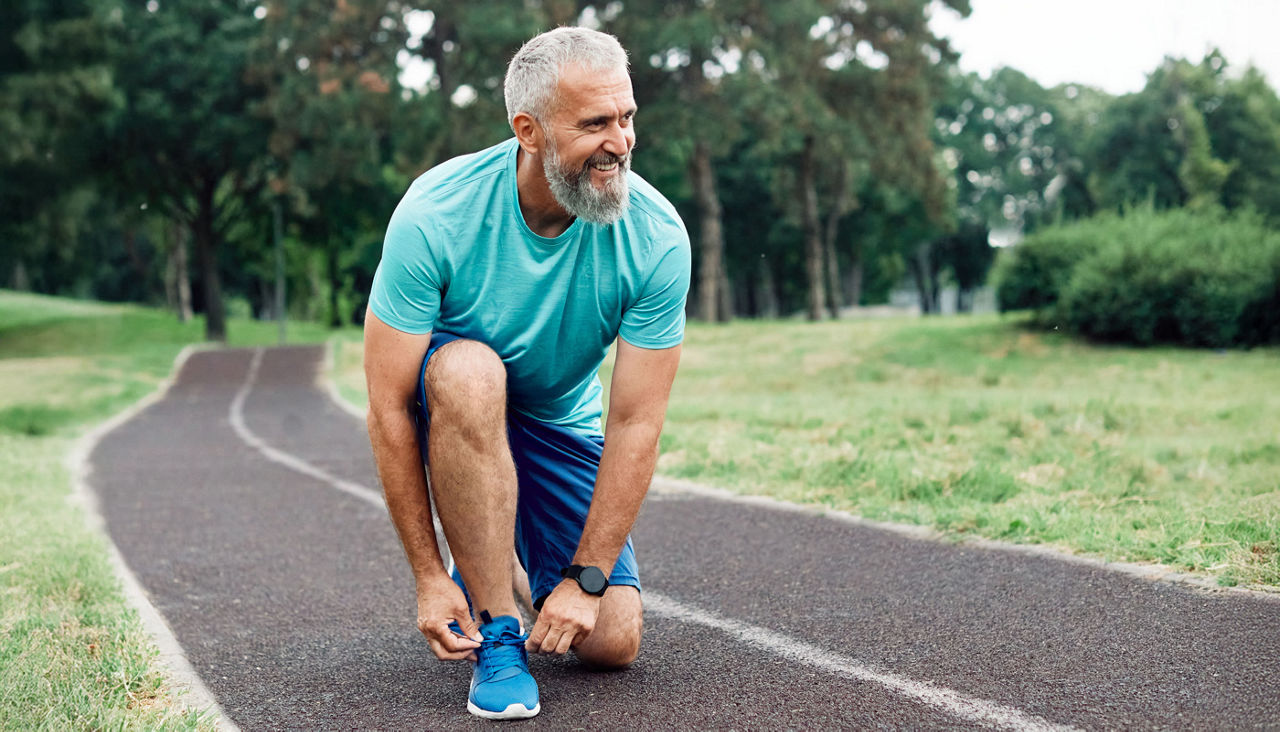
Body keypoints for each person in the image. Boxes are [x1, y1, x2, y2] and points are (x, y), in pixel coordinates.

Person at [362, 26, 690, 720]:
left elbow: (636, 420)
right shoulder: (435, 213)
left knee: (612, 641)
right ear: (529, 130)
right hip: (450, 402)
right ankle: (498, 635)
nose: (621, 141)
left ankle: (497, 556)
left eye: (627, 117)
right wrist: (426, 575)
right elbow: (388, 405)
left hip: (552, 419)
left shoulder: (656, 237)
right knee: (473, 372)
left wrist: (586, 578)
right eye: (595, 124)